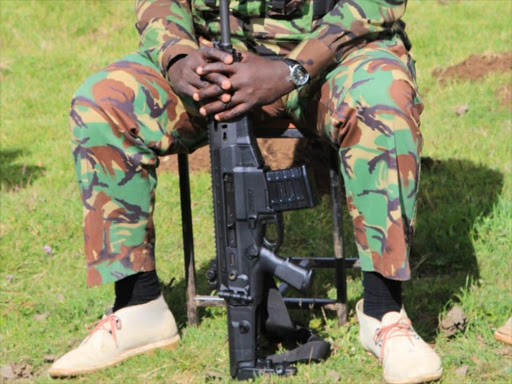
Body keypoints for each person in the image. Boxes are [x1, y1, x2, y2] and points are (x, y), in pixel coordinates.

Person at [49, 0, 442, 382]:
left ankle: (383, 313)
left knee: (383, 104)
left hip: (332, 60)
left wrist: (292, 68)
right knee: (102, 102)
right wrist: (177, 57)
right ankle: (138, 306)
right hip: (215, 64)